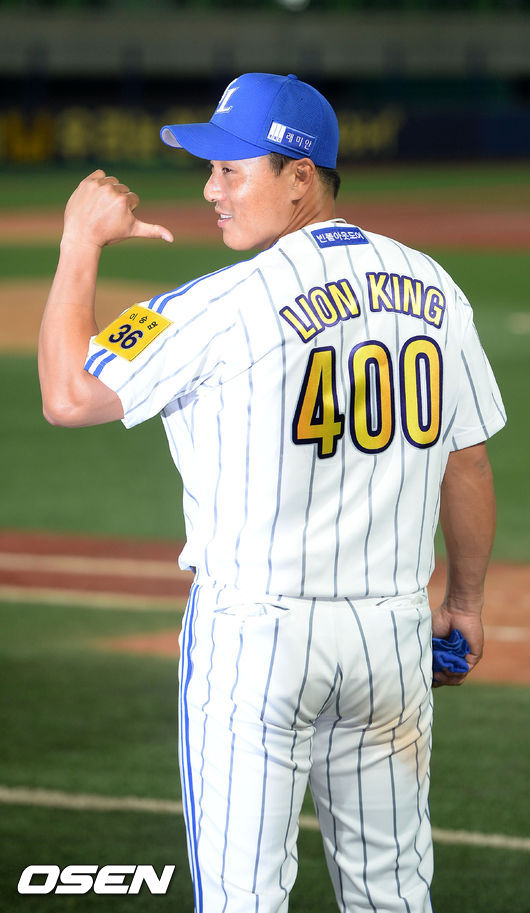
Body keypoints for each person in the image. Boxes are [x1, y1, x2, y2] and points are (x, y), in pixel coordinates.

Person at [39, 72, 506, 913]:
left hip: (258, 638)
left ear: (300, 177)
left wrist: (79, 243)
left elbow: (69, 395)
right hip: (392, 638)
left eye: (231, 169)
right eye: (210, 169)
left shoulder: (221, 302)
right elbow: (466, 462)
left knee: (242, 896)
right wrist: (465, 601)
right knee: (394, 895)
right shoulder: (435, 287)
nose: (210, 189)